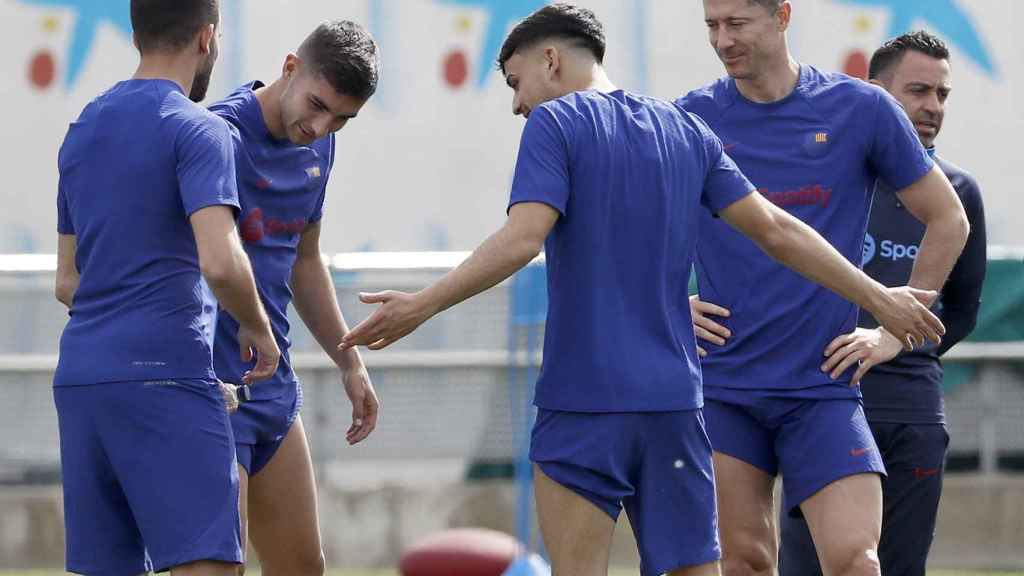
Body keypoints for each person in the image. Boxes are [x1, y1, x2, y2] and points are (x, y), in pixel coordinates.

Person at [339, 4, 946, 575]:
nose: (517, 104)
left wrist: (422, 303)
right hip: (678, 408)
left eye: (515, 83)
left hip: (587, 403)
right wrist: (877, 295)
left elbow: (524, 239)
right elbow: (777, 230)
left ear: (551, 61)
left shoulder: (557, 122)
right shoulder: (685, 127)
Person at [678, 1, 970, 574]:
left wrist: (894, 332)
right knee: (746, 562)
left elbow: (948, 219)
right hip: (726, 386)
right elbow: (635, 227)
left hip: (823, 388)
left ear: (782, 15)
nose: (722, 39)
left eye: (737, 23)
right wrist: (664, 304)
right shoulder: (691, 118)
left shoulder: (859, 109)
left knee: (858, 562)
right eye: (712, 25)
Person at [53, 0, 280, 574]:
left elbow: (67, 281)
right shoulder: (199, 130)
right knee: (209, 565)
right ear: (207, 38)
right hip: (167, 374)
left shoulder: (81, 129)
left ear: (136, 34)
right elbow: (221, 263)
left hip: (82, 381)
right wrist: (257, 327)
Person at [778, 30, 987, 576]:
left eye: (942, 94)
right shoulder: (828, 179)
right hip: (824, 404)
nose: (932, 107)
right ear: (875, 94)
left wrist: (900, 348)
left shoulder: (959, 191)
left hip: (913, 415)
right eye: (919, 90)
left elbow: (961, 309)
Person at [207, 20, 381, 575]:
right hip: (206, 382)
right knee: (216, 567)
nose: (322, 126)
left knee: (304, 567)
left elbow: (305, 260)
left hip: (273, 385)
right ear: (288, 68)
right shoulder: (214, 136)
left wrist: (349, 362)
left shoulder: (320, 147)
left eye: (343, 119)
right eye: (317, 104)